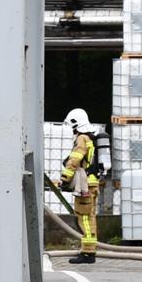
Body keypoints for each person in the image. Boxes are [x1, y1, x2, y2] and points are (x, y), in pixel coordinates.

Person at [57, 108, 105, 264]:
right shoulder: (91, 137)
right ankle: (89, 251)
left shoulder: (82, 138)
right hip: (92, 183)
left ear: (75, 124)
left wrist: (65, 178)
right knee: (90, 217)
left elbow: (75, 159)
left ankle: (87, 253)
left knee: (83, 218)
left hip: (85, 185)